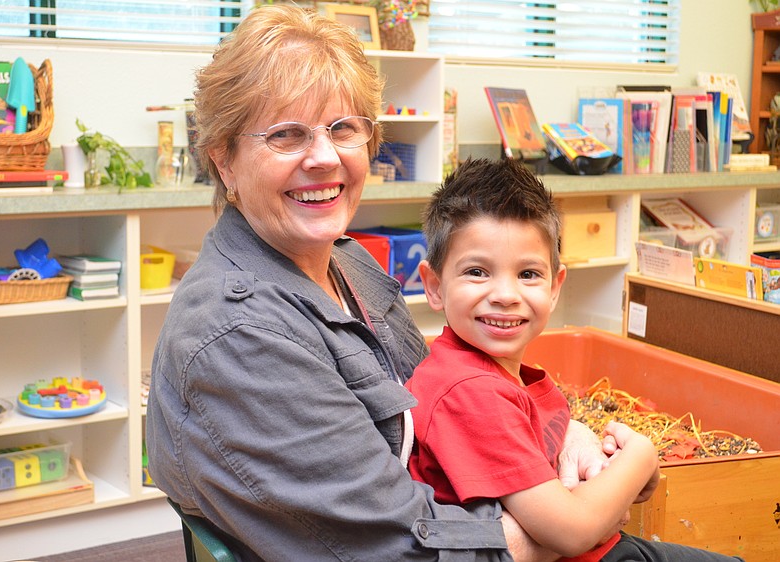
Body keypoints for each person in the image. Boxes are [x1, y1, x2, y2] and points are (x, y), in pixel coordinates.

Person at [146, 5, 612, 561]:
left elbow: (442, 410)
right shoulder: (239, 337)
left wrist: (570, 441)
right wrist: (576, 511)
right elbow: (405, 548)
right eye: (287, 135)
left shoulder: (346, 262)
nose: (324, 158)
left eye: (343, 128)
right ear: (224, 162)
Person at [405, 157, 744, 562]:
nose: (505, 294)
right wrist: (641, 456)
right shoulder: (467, 391)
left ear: (555, 286)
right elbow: (571, 531)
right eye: (477, 271)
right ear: (434, 286)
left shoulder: (489, 372)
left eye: (528, 274)